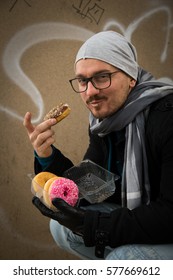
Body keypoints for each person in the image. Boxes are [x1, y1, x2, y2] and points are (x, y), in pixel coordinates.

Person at [23, 31, 173, 260]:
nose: (90, 91)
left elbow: (169, 214)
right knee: (63, 228)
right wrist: (47, 156)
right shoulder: (104, 123)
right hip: (146, 221)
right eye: (82, 80)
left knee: (124, 259)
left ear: (131, 76)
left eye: (102, 77)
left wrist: (94, 226)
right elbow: (85, 188)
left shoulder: (166, 118)